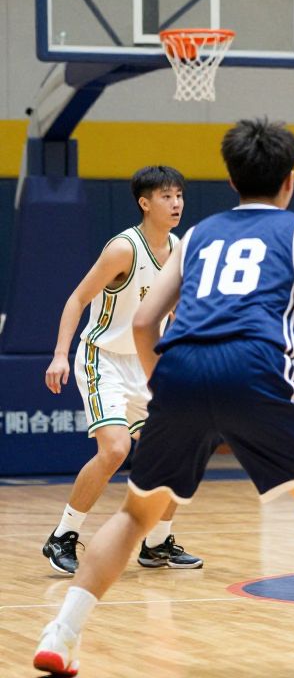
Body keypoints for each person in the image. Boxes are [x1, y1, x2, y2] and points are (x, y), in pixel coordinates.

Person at [32, 118, 294, 677]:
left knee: (135, 512)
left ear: (231, 181)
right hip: (253, 365)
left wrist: (165, 381)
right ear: (290, 181)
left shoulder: (199, 234)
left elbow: (147, 321)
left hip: (179, 366)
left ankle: (61, 635)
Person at [41, 165, 201, 575]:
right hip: (104, 359)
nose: (176, 202)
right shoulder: (123, 249)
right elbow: (77, 299)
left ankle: (157, 542)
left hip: (147, 364)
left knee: (178, 450)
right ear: (144, 203)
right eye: (166, 196)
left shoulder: (179, 249)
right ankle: (63, 535)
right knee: (115, 450)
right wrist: (60, 354)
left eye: (179, 194)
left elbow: (179, 314)